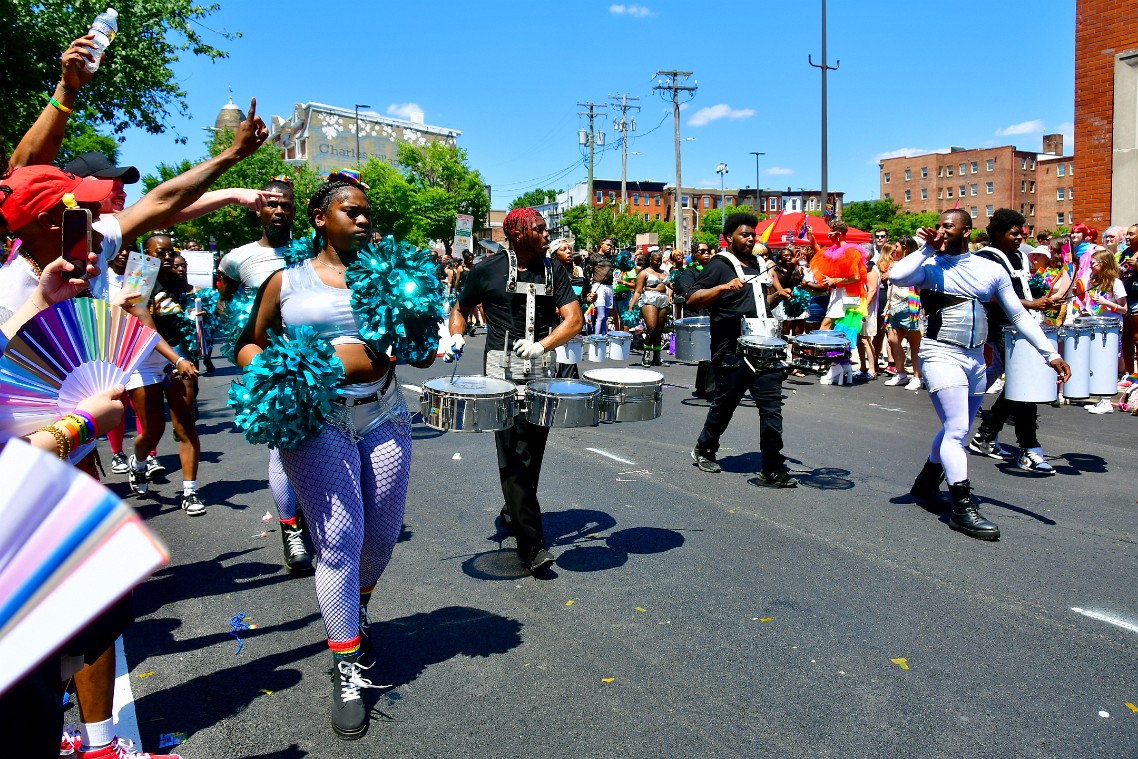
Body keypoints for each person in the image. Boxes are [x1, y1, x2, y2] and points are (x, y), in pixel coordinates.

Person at [237, 172, 434, 739]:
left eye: (367, 212)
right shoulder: (286, 281)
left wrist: (418, 338)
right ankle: (347, 665)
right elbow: (250, 341)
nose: (365, 219)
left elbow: (418, 351)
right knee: (341, 539)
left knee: (381, 535)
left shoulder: (394, 274)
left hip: (385, 412)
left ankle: (358, 608)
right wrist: (271, 370)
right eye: (352, 211)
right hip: (317, 420)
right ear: (322, 219)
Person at [891, 209, 1070, 540]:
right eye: (939, 226)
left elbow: (1018, 315)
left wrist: (1051, 354)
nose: (942, 230)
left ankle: (926, 483)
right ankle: (962, 507)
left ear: (967, 232)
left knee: (953, 428)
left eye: (949, 226)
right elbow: (896, 275)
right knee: (958, 429)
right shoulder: (929, 267)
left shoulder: (989, 269)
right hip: (939, 353)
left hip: (975, 359)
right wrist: (926, 248)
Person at [444, 208, 584, 573]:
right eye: (539, 229)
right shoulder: (487, 270)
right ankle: (531, 544)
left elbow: (574, 319)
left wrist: (544, 345)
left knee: (532, 451)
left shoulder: (555, 270)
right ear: (518, 234)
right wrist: (456, 334)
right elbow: (460, 308)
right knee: (512, 453)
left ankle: (513, 510)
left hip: (539, 368)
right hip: (500, 375)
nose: (546, 233)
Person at [214, 176, 314, 570]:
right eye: (271, 203)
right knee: (281, 445)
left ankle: (312, 518)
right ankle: (290, 530)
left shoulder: (311, 250)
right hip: (270, 366)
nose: (278, 210)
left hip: (315, 363)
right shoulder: (238, 257)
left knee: (318, 445)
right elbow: (225, 300)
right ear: (259, 208)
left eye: (286, 204)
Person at [686, 213, 797, 488]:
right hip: (733, 348)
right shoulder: (720, 265)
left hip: (765, 347)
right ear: (730, 238)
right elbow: (692, 299)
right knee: (725, 404)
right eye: (744, 234)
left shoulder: (761, 264)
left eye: (752, 234)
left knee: (772, 408)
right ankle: (705, 448)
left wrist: (777, 295)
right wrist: (723, 287)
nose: (750, 238)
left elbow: (758, 303)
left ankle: (772, 467)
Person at [968, 209, 1058, 474]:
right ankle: (1028, 447)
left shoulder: (1018, 257)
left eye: (1022, 232)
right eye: (1014, 232)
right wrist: (1030, 303)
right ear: (998, 233)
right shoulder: (985, 258)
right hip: (1000, 328)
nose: (1020, 237)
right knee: (1024, 382)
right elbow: (988, 295)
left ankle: (986, 435)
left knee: (1020, 382)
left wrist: (1041, 301)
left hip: (1020, 326)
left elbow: (1020, 290)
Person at [808, 220, 868, 384]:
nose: (828, 236)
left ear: (839, 234)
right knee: (836, 329)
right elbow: (820, 256)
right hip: (838, 294)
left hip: (848, 296)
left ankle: (835, 365)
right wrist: (812, 238)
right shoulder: (834, 250)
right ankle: (843, 365)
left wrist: (836, 279)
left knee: (831, 328)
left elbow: (855, 277)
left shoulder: (851, 251)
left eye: (831, 233)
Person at [1074, 249, 1128, 414]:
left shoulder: (1116, 283)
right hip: (1096, 325)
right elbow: (1091, 305)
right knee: (1097, 363)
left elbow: (1124, 309)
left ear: (1104, 264)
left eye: (1094, 262)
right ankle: (1101, 400)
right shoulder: (1095, 281)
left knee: (1108, 364)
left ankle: (1106, 401)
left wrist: (1107, 303)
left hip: (1110, 328)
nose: (1090, 265)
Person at [880, 240, 924, 390]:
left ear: (905, 248)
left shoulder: (914, 265)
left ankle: (917, 377)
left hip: (909, 305)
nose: (894, 250)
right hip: (894, 307)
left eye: (897, 247)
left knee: (914, 343)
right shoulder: (895, 264)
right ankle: (901, 374)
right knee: (893, 340)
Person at [676, 242, 716, 398]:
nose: (707, 254)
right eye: (703, 251)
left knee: (711, 353)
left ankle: (703, 387)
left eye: (709, 251)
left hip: (713, 313)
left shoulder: (714, 271)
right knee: (706, 354)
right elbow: (689, 295)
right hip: (697, 315)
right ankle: (708, 389)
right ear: (695, 254)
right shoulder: (689, 273)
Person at [629, 248, 671, 366]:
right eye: (657, 260)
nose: (659, 262)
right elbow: (637, 291)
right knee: (652, 328)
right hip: (649, 299)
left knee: (659, 330)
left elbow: (672, 286)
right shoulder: (644, 273)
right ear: (651, 260)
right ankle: (646, 354)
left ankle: (657, 357)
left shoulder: (664, 272)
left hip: (663, 299)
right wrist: (631, 307)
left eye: (660, 260)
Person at [1119, 225, 1138, 381]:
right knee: (1126, 338)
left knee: (1137, 337)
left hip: (1137, 298)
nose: (1128, 237)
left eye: (1131, 234)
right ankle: (1130, 374)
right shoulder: (1125, 253)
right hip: (1126, 297)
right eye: (1127, 234)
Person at [586, 237, 616, 333]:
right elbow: (587, 272)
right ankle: (596, 338)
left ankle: (603, 338)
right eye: (607, 245)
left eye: (611, 246)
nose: (609, 247)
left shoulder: (612, 258)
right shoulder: (594, 257)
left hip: (609, 287)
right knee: (601, 316)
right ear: (601, 245)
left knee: (606, 317)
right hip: (598, 287)